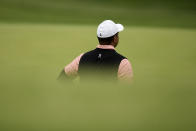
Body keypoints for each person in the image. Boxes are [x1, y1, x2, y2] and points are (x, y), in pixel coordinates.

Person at [59, 20, 133, 82]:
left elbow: (62, 78)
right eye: (117, 35)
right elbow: (127, 92)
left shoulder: (82, 57)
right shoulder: (123, 63)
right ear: (114, 38)